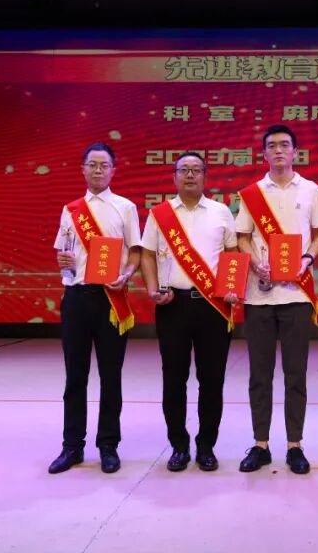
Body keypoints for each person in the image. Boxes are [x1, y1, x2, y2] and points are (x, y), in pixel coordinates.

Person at [140, 153, 240, 472]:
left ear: (205, 176)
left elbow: (233, 254)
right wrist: (153, 289)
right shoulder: (160, 214)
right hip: (173, 306)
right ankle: (179, 446)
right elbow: (146, 255)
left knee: (211, 380)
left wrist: (232, 288)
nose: (190, 175)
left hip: (213, 307)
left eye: (196, 170)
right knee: (174, 379)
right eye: (184, 170)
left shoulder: (221, 212)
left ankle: (206, 446)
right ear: (174, 176)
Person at [234, 124, 318, 475]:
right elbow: (243, 237)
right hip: (259, 295)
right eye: (271, 146)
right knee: (260, 374)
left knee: (295, 373)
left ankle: (294, 446)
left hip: (297, 294)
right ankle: (260, 445)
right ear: (264, 153)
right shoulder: (252, 193)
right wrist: (254, 263)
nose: (278, 150)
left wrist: (306, 260)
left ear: (295, 152)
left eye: (285, 145)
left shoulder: (311, 190)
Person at [48, 142, 141, 475]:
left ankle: (108, 445)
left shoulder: (125, 207)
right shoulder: (71, 209)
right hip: (76, 298)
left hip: (110, 300)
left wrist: (126, 275)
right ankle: (72, 446)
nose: (98, 170)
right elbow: (63, 252)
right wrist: (62, 260)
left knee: (110, 376)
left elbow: (136, 253)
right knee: (75, 376)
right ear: (83, 169)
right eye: (92, 164)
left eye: (104, 165)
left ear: (113, 170)